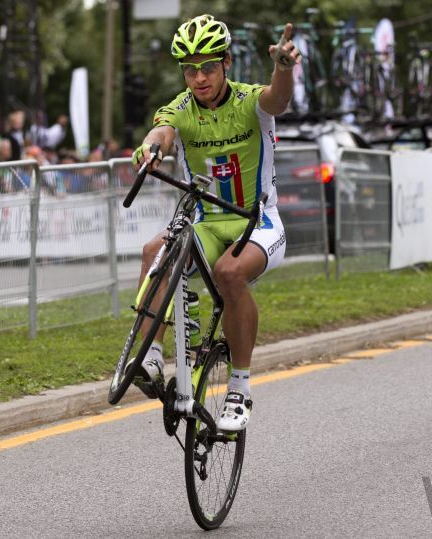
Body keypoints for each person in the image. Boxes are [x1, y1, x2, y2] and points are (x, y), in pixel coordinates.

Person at [130, 14, 300, 432]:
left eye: (208, 66)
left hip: (256, 222)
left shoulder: (249, 101)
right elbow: (163, 132)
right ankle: (151, 356)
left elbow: (277, 101)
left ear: (226, 62)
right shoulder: (183, 108)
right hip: (206, 223)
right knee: (155, 251)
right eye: (190, 69)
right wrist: (149, 151)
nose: (199, 77)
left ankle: (239, 389)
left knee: (229, 272)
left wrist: (283, 69)